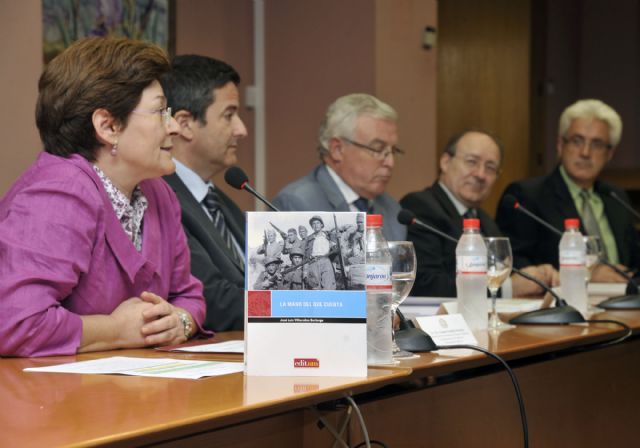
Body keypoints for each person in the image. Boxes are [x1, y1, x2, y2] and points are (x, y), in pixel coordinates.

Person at [0, 37, 208, 357]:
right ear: (108, 126)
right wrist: (116, 329)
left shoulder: (159, 193)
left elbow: (189, 295)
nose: (174, 128)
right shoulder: (58, 194)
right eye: (159, 112)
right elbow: (16, 323)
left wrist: (179, 322)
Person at [401, 130, 558, 297]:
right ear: (445, 162)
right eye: (471, 162)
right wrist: (508, 288)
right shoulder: (420, 207)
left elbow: (497, 270)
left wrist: (537, 275)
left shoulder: (485, 220)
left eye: (490, 168)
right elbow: (426, 283)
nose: (480, 174)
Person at [496, 99, 639, 281]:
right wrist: (585, 273)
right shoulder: (526, 196)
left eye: (597, 144)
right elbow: (514, 264)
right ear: (560, 145)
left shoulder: (615, 197)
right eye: (577, 141)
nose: (585, 152)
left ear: (609, 154)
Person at [160, 55, 248, 331]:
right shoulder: (162, 197)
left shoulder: (222, 202)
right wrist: (306, 306)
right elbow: (212, 299)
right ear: (184, 124)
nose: (241, 129)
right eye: (229, 115)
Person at [272, 93, 406, 242]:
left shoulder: (392, 209)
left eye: (393, 151)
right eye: (377, 149)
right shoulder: (298, 204)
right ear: (337, 150)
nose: (390, 162)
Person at [304, 215, 338, 290]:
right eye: (313, 224)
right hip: (313, 262)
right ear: (312, 226)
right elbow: (306, 255)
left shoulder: (328, 235)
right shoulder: (309, 238)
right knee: (315, 287)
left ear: (322, 224)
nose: (316, 225)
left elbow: (335, 248)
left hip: (325, 261)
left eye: (318, 223)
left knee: (329, 286)